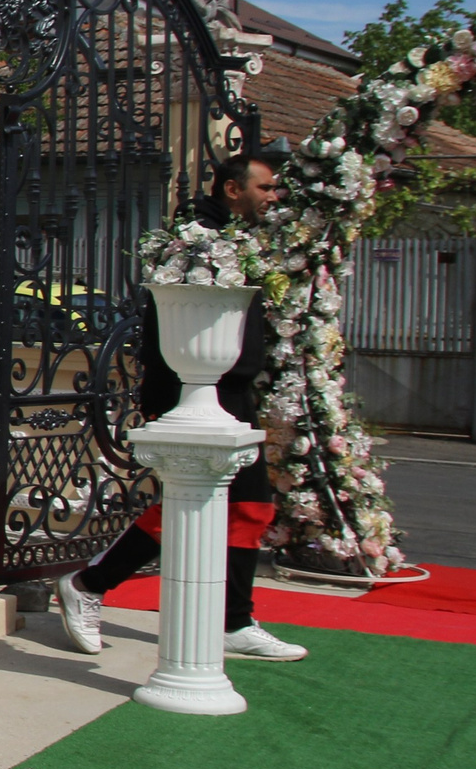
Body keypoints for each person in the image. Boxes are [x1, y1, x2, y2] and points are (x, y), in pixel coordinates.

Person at [55, 151, 306, 663]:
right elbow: (164, 323)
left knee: (250, 509)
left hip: (233, 391)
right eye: (264, 187)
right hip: (195, 390)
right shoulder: (193, 240)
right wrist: (158, 398)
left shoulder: (236, 239)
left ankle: (234, 621)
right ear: (233, 189)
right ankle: (87, 583)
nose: (273, 195)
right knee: (189, 507)